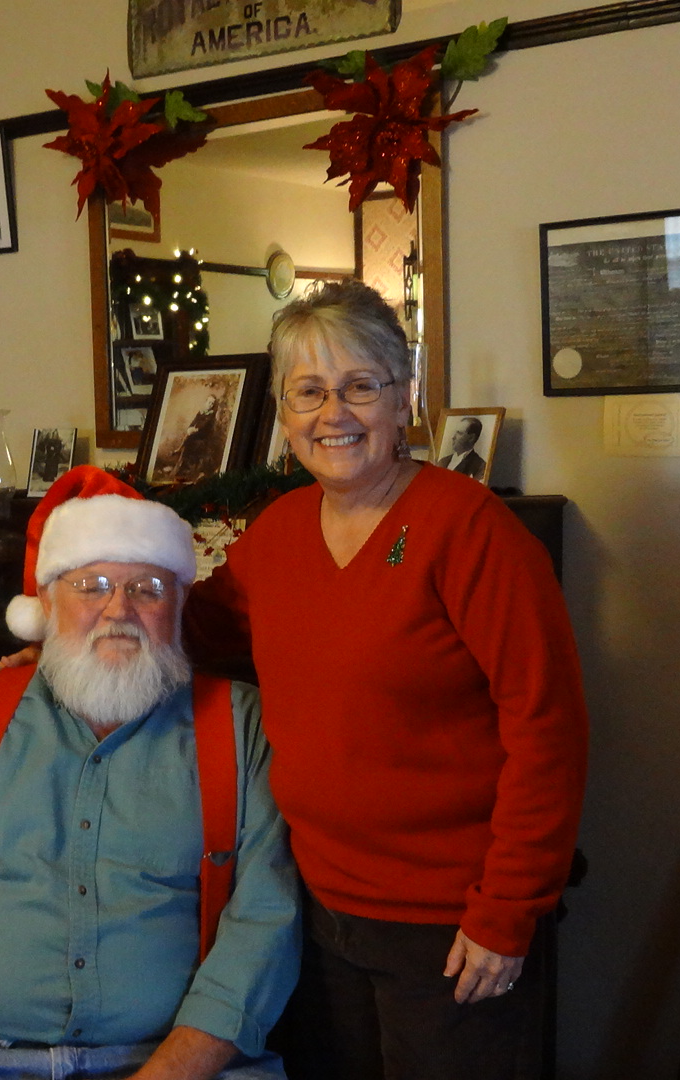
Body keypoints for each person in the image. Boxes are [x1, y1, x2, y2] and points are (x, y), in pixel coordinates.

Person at [187, 281, 589, 1080]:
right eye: (309, 391)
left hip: (451, 927)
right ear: (284, 412)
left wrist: (505, 914)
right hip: (315, 910)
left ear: (402, 398)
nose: (333, 413)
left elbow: (549, 729)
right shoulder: (279, 533)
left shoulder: (471, 533)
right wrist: (80, 631)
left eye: (359, 387)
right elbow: (197, 627)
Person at [0, 466, 302, 1080]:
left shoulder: (240, 725)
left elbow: (263, 936)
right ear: (46, 602)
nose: (119, 608)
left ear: (180, 605)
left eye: (147, 588)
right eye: (91, 585)